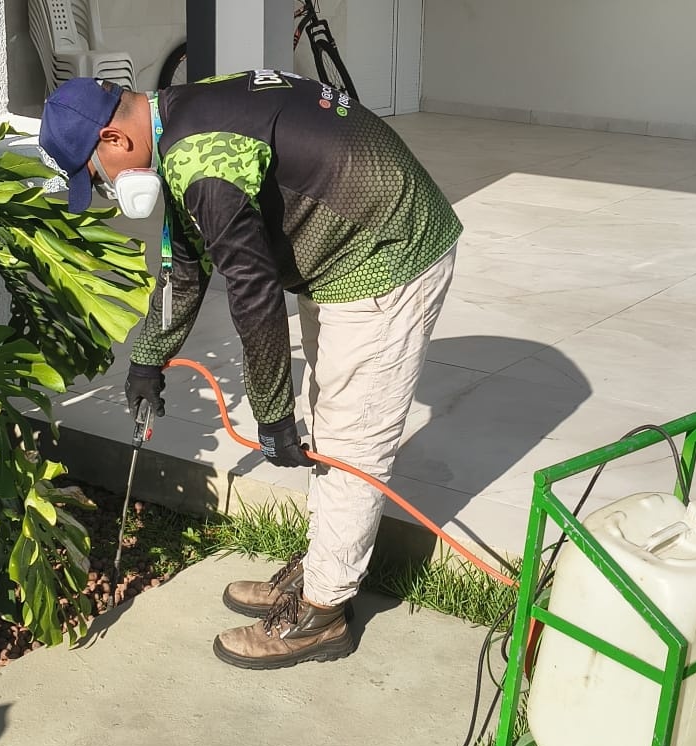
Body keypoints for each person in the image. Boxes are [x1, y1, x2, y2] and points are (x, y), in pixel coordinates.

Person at [39, 70, 461, 670]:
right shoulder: (176, 119)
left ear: (114, 139)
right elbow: (186, 265)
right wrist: (146, 361)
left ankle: (322, 614)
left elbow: (255, 298)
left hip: (387, 248)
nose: (107, 189)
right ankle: (321, 568)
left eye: (97, 179)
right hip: (345, 241)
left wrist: (272, 417)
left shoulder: (203, 163)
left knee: (352, 437)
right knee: (335, 407)